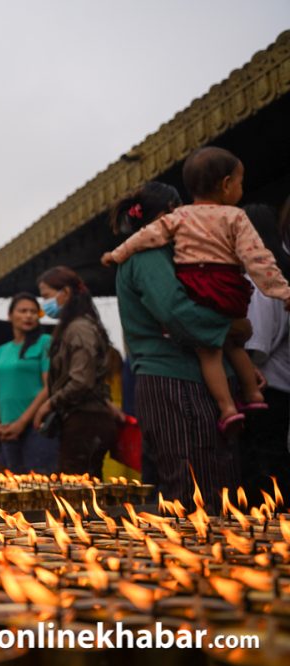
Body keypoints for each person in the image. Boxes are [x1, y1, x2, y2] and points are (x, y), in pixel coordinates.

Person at [102, 147, 290, 434]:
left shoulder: (165, 235)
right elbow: (177, 312)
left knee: (211, 352)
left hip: (199, 289)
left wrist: (115, 254)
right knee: (197, 471)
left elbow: (143, 238)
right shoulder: (152, 257)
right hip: (179, 375)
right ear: (226, 185)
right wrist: (279, 294)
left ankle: (230, 405)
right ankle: (248, 396)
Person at [110, 181, 239, 512]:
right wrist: (229, 327)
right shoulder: (149, 255)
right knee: (196, 489)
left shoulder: (163, 252)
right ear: (168, 213)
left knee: (205, 482)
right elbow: (176, 314)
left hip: (181, 380)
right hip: (175, 382)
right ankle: (201, 562)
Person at [33, 267, 118, 479]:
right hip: (81, 420)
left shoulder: (79, 329)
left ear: (66, 293)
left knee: (76, 495)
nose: (45, 305)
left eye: (46, 296)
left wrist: (49, 404)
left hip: (85, 422)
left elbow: (81, 381)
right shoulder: (74, 326)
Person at [242, 202, 290, 504]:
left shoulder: (260, 281)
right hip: (277, 389)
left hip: (265, 390)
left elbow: (256, 346)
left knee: (264, 476)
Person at [0, 293, 57, 474]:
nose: (29, 316)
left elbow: (49, 386)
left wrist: (22, 422)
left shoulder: (45, 342)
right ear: (10, 315)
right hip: (7, 429)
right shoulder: (1, 351)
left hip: (36, 427)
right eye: (23, 311)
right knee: (14, 490)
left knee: (39, 487)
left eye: (34, 312)